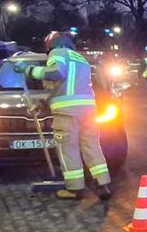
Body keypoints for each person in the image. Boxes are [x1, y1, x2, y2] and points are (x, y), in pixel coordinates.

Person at [20, 31, 112, 201]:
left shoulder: (58, 53)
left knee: (68, 149)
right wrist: (44, 104)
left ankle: (75, 189)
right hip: (88, 111)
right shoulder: (80, 58)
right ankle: (102, 184)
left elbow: (57, 73)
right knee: (91, 146)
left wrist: (29, 70)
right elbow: (64, 88)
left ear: (50, 45)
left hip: (67, 113)